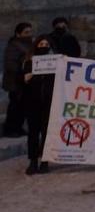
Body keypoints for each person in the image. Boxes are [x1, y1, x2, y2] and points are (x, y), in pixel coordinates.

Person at [21, 35, 57, 175]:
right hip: (32, 102)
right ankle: (33, 161)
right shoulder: (28, 61)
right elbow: (19, 80)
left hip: (49, 102)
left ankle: (45, 161)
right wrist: (24, 78)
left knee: (47, 132)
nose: (43, 46)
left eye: (46, 44)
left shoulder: (56, 61)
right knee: (33, 133)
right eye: (41, 43)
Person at [3, 23, 34, 137]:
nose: (29, 34)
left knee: (23, 107)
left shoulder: (29, 44)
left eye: (30, 32)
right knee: (15, 107)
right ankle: (10, 129)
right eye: (26, 32)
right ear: (18, 34)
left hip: (26, 81)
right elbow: (10, 64)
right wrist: (22, 72)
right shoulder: (13, 45)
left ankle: (18, 128)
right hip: (15, 82)